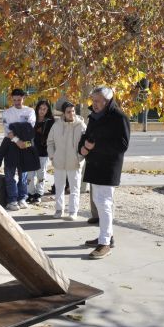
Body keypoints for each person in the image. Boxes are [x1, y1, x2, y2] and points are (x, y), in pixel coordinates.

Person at [79, 86, 130, 259]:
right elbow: (87, 137)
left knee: (105, 202)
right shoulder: (94, 116)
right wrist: (83, 148)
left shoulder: (119, 117)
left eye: (97, 100)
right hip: (95, 164)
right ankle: (107, 235)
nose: (94, 104)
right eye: (92, 100)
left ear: (107, 100)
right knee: (97, 201)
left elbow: (122, 145)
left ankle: (105, 243)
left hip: (109, 167)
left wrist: (95, 146)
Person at [0, 88, 38, 211]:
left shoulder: (30, 111)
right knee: (10, 174)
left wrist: (20, 135)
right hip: (11, 146)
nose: (17, 102)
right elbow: (8, 131)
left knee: (23, 174)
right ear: (11, 99)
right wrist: (17, 140)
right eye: (14, 100)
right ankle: (12, 200)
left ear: (23, 98)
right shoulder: (7, 113)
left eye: (19, 99)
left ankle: (22, 198)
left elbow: (29, 129)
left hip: (26, 145)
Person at [47, 101, 86, 220]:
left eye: (73, 111)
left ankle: (73, 212)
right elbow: (50, 142)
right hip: (59, 162)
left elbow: (86, 144)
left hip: (74, 163)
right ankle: (59, 210)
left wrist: (79, 158)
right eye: (69, 112)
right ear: (64, 113)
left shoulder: (81, 125)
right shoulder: (56, 125)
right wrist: (53, 156)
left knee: (75, 188)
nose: (71, 114)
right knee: (59, 187)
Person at [26, 100, 54, 204]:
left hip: (43, 152)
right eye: (40, 109)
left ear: (48, 110)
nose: (42, 111)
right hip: (30, 151)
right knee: (30, 175)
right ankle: (30, 194)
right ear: (37, 109)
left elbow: (51, 138)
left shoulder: (50, 121)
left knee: (41, 174)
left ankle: (39, 194)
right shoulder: (32, 119)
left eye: (44, 109)